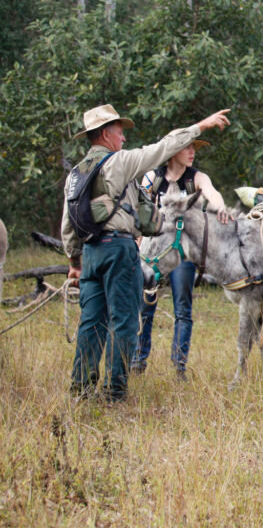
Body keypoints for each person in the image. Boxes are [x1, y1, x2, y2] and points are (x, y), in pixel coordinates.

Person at [61, 104, 231, 403]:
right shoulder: (119, 162)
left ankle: (81, 390)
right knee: (125, 321)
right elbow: (163, 148)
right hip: (118, 249)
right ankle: (115, 392)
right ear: (105, 134)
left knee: (91, 322)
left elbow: (68, 222)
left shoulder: (76, 173)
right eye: (120, 133)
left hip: (90, 253)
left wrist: (75, 262)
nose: (124, 140)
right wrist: (200, 126)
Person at [131, 139, 233, 378]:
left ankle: (179, 366)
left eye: (194, 149)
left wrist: (221, 208)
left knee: (183, 309)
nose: (192, 153)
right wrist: (136, 238)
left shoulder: (196, 178)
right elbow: (138, 206)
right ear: (173, 152)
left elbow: (212, 193)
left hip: (181, 251)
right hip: (155, 248)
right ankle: (138, 361)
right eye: (187, 148)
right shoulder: (152, 178)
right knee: (145, 305)